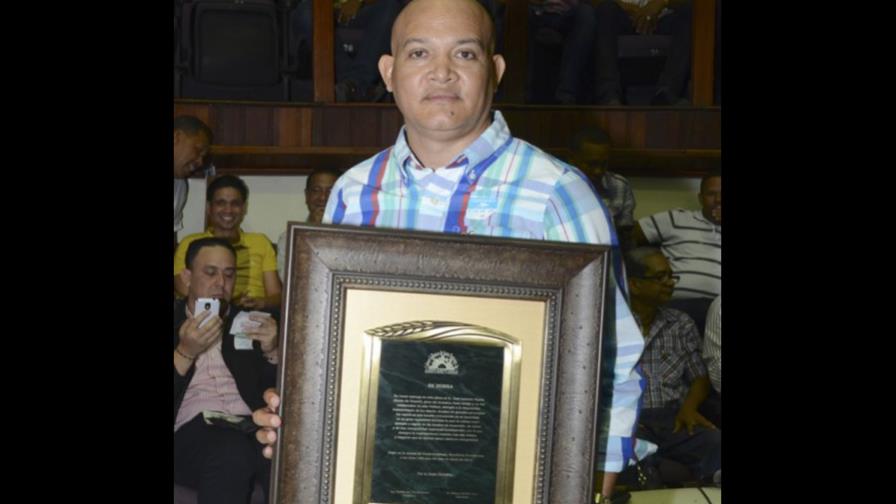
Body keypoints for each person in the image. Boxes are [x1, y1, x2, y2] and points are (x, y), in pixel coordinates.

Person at [254, 1, 645, 500]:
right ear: (389, 73)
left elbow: (614, 353)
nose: (441, 72)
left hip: (516, 478)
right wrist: (299, 417)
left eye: (464, 53)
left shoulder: (557, 192)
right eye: (419, 53)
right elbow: (332, 349)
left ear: (495, 70)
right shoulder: (354, 191)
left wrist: (593, 481)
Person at [174, 237, 279, 504]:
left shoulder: (251, 323)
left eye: (229, 275)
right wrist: (185, 352)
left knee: (284, 448)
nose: (221, 283)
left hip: (249, 425)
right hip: (189, 434)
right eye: (210, 273)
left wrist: (271, 351)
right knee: (231, 450)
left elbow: (271, 394)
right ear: (187, 277)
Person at [624, 246, 720, 483]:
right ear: (634, 285)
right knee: (630, 460)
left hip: (674, 418)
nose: (669, 283)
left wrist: (690, 407)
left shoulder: (681, 323)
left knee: (715, 442)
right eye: (660, 277)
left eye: (670, 276)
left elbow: (700, 376)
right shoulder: (613, 323)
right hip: (631, 419)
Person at [174, 175, 283, 311]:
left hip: (254, 316)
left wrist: (260, 302)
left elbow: (276, 295)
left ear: (244, 208)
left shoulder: (260, 242)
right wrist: (228, 303)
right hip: (206, 311)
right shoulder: (192, 243)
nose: (228, 210)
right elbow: (184, 288)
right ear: (209, 207)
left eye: (235, 204)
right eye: (221, 203)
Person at [631, 170, 720, 333]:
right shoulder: (677, 219)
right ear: (700, 198)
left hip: (718, 310)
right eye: (711, 194)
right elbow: (626, 237)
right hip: (676, 303)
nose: (719, 200)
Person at [592, 0, 693, 106]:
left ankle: (667, 92)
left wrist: (660, 3)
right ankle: (609, 96)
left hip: (661, 16)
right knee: (605, 9)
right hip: (623, 14)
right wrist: (632, 9)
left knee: (689, 10)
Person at [566, 126, 636, 238]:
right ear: (571, 159)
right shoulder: (558, 188)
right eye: (591, 164)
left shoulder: (620, 186)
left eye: (603, 164)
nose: (598, 171)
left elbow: (626, 233)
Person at [276, 168, 340, 282]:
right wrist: (314, 233)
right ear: (306, 195)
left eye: (330, 191)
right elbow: (289, 281)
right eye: (316, 190)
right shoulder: (289, 238)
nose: (323, 198)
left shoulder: (353, 236)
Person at [174, 115, 212, 249]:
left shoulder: (179, 186)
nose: (200, 162)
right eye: (198, 150)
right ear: (177, 137)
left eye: (203, 156)